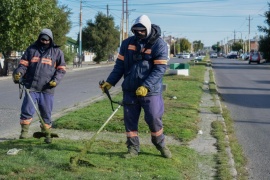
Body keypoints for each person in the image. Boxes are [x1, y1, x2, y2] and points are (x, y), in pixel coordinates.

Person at [100, 15, 172, 158]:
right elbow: (119, 66)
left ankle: (160, 144)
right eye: (136, 30)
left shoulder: (159, 44)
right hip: (130, 90)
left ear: (148, 29)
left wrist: (146, 86)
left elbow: (159, 69)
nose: (139, 33)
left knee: (153, 118)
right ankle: (133, 148)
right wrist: (110, 82)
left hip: (150, 91)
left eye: (142, 30)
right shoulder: (127, 43)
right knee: (130, 121)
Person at [12, 28, 66, 143]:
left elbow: (61, 70)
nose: (45, 42)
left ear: (51, 40)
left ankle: (47, 134)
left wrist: (55, 80)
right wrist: (18, 73)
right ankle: (24, 133)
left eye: (47, 40)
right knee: (27, 110)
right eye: (43, 39)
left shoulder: (57, 52)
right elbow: (23, 65)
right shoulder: (31, 50)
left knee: (46, 112)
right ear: (39, 38)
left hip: (47, 88)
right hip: (31, 87)